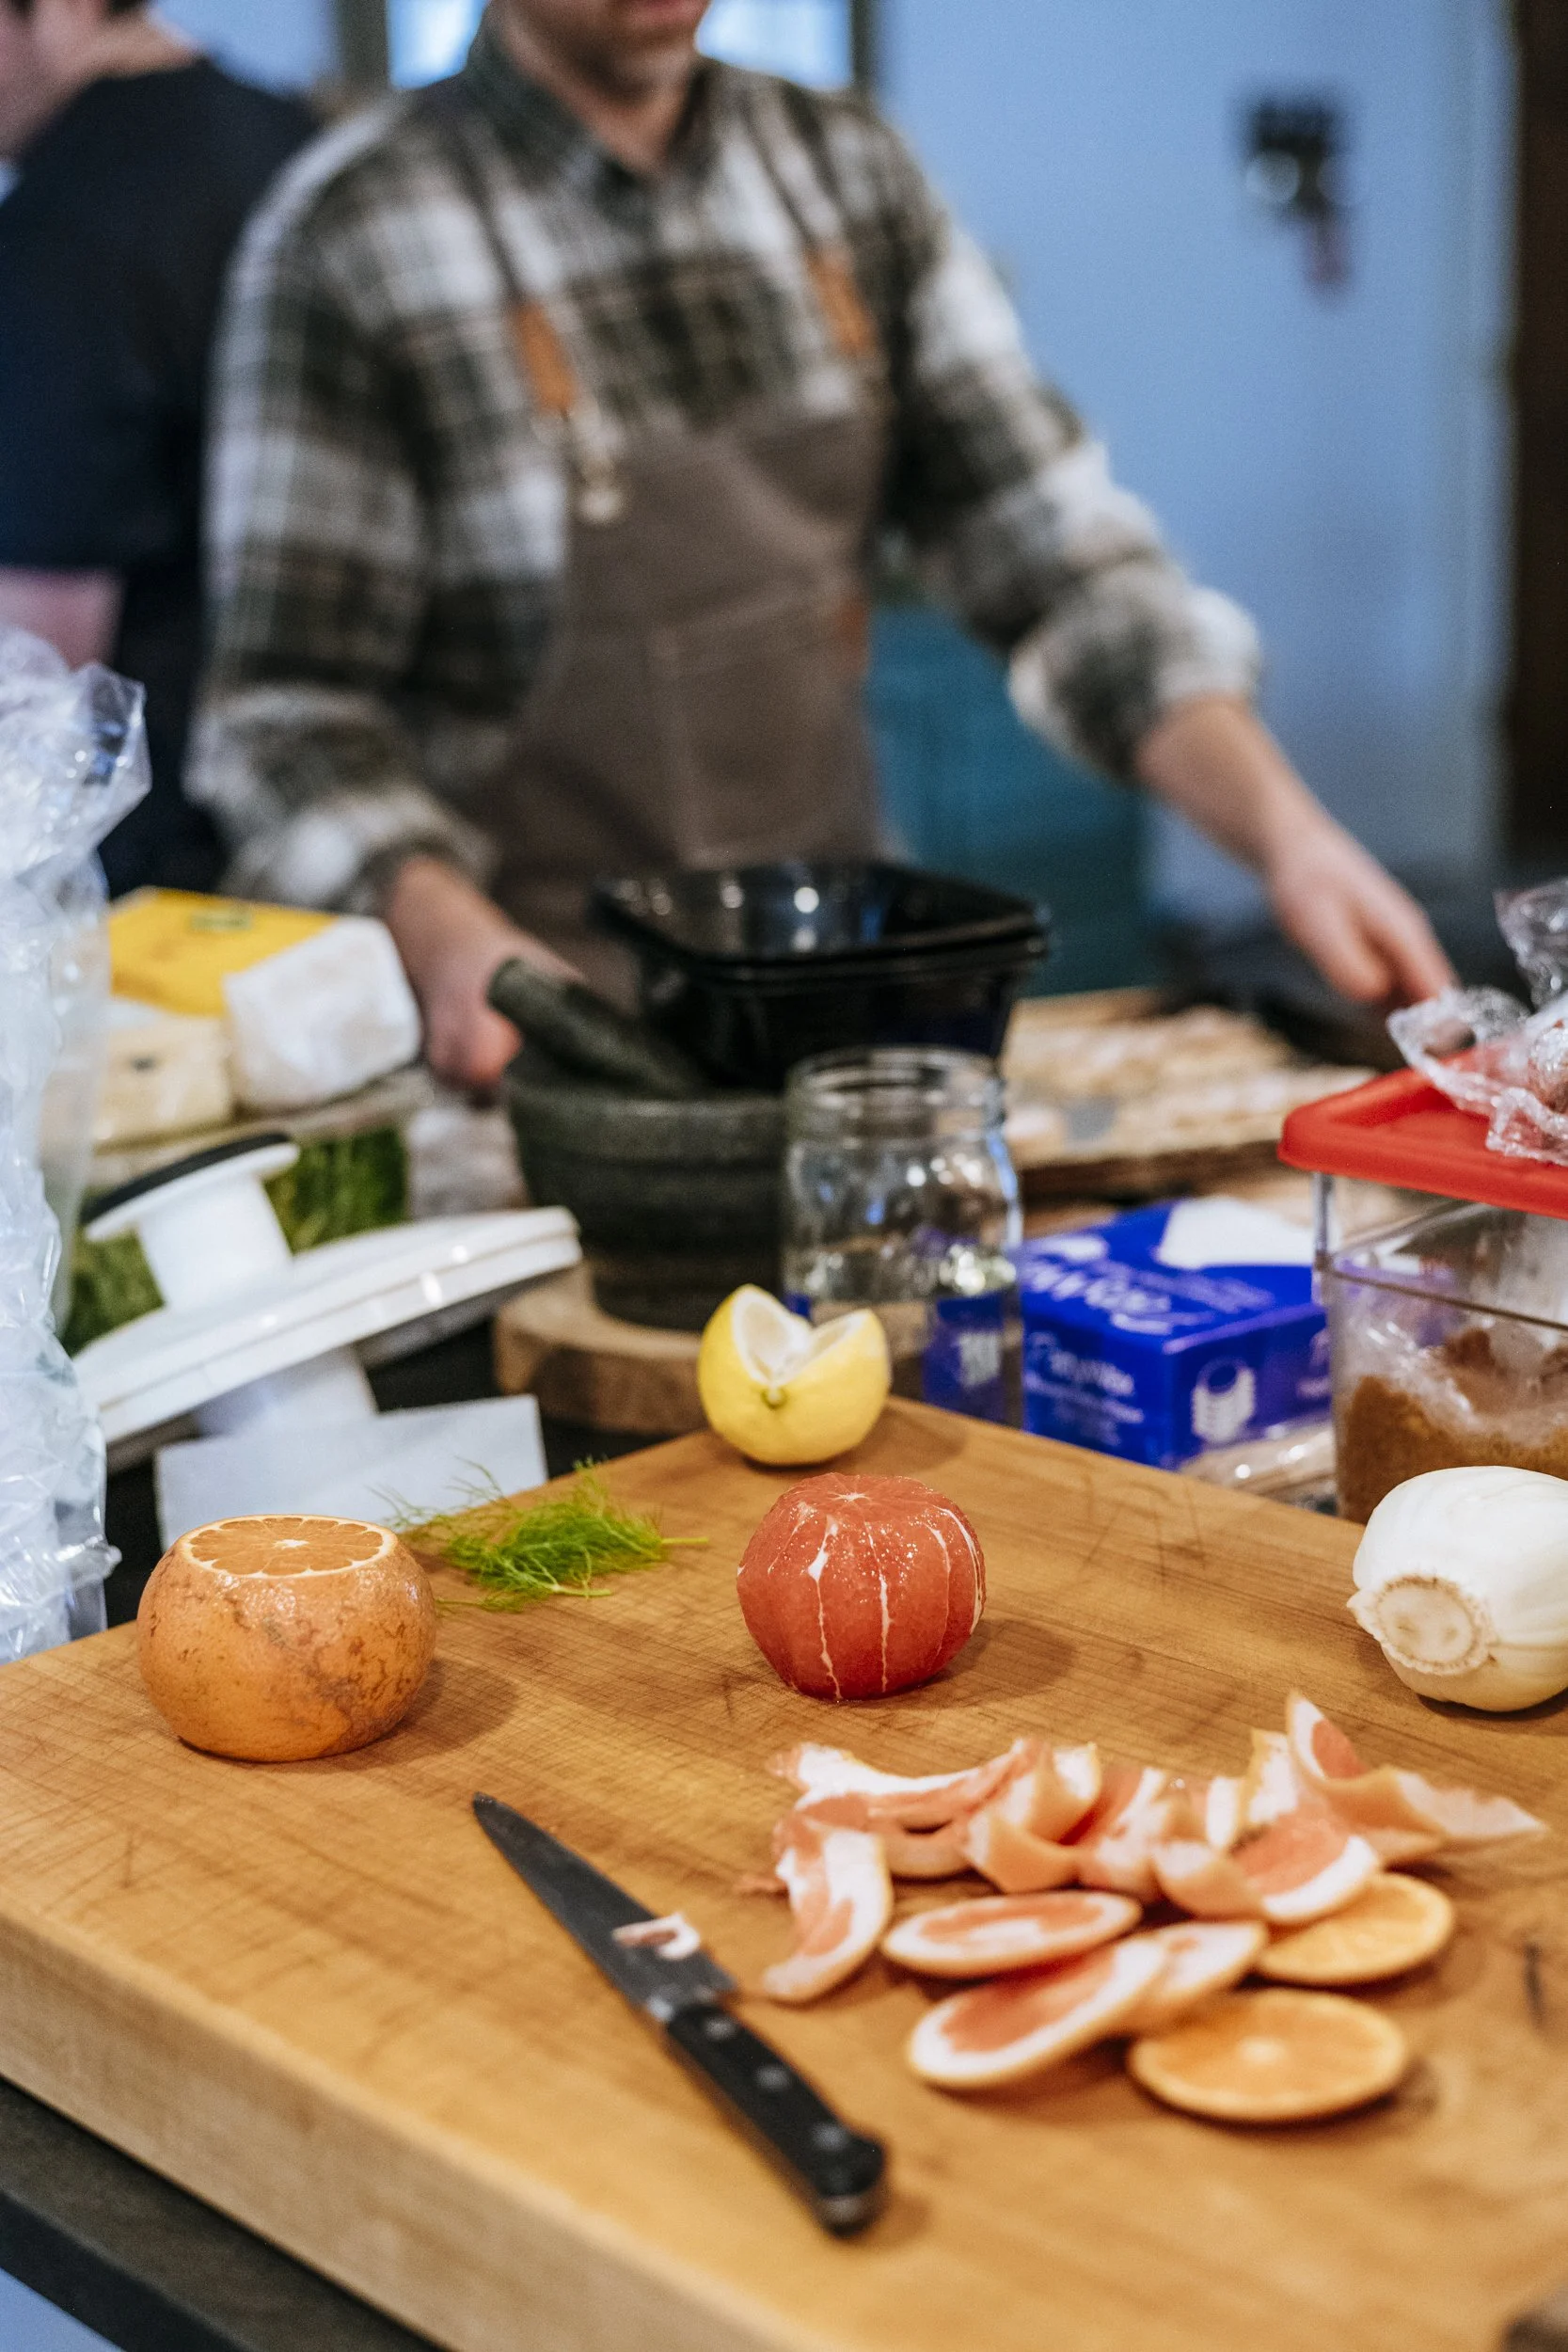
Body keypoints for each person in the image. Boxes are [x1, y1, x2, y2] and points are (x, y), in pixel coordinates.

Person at [195, 0, 1452, 1088]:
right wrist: (447, 937)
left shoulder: (845, 173)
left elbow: (1061, 567)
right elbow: (287, 720)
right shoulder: (349, 240)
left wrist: (1289, 837)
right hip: (548, 1050)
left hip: (855, 1020)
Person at [0, 0, 314, 894]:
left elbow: (41, 674)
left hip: (175, 867)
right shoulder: (283, 127)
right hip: (317, 820)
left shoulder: (61, 239)